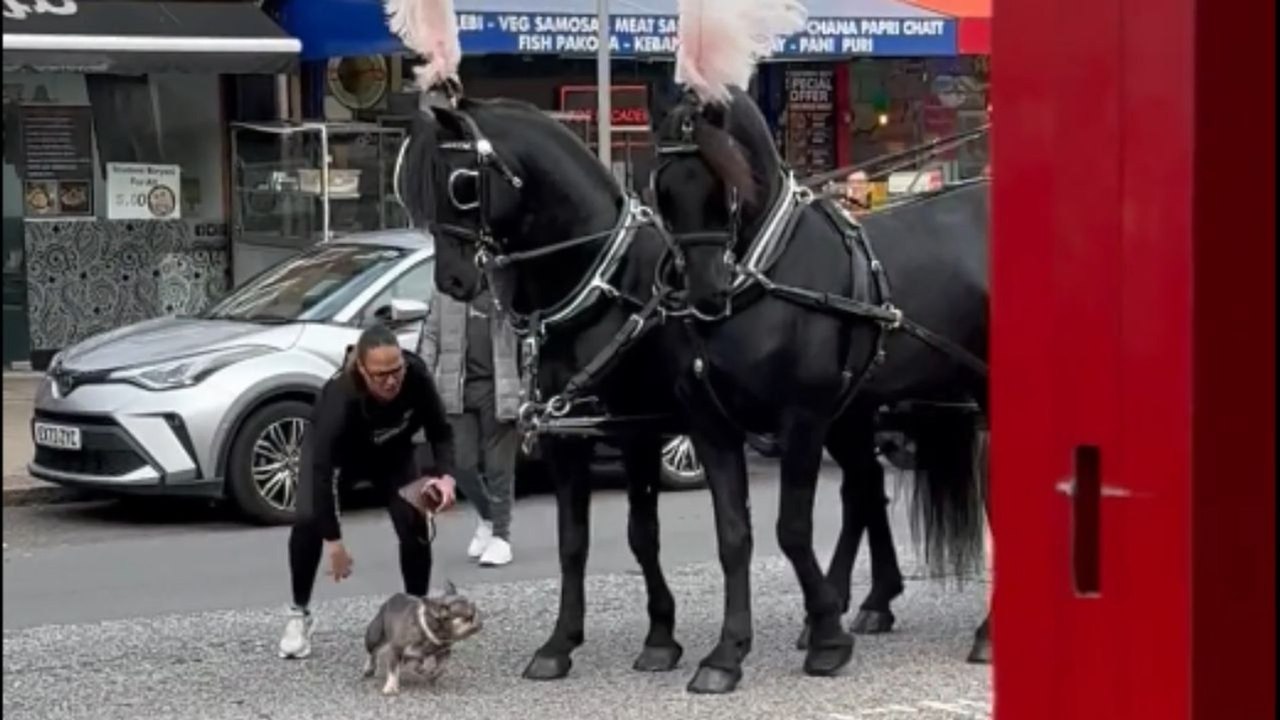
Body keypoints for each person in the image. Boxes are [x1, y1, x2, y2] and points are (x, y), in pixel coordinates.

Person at [278, 324, 457, 660]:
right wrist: (334, 542)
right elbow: (321, 475)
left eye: (395, 371)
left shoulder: (416, 376)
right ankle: (298, 613)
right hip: (338, 459)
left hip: (393, 453)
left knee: (415, 519)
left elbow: (441, 431)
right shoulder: (340, 396)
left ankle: (415, 613)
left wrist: (445, 477)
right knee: (307, 522)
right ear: (361, 368)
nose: (390, 381)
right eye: (380, 375)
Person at [420, 285, 521, 567]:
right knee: (460, 464)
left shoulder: (505, 287)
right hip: (456, 390)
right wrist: (422, 376)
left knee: (499, 468)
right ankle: (488, 516)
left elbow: (527, 334)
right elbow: (430, 333)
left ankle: (502, 536)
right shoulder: (447, 290)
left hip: (500, 387)